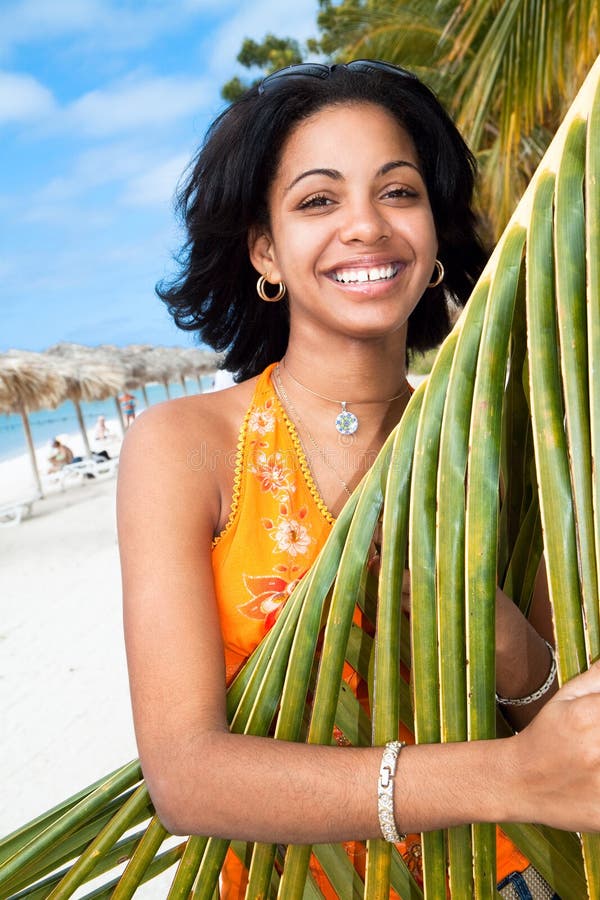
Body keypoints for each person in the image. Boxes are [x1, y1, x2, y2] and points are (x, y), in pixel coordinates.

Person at [117, 61, 600, 898]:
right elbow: (187, 776)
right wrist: (507, 778)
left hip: (506, 880)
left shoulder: (502, 447)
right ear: (265, 249)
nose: (366, 227)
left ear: (437, 234)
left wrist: (505, 644)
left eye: (398, 192)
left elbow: (567, 731)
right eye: (317, 200)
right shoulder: (182, 446)